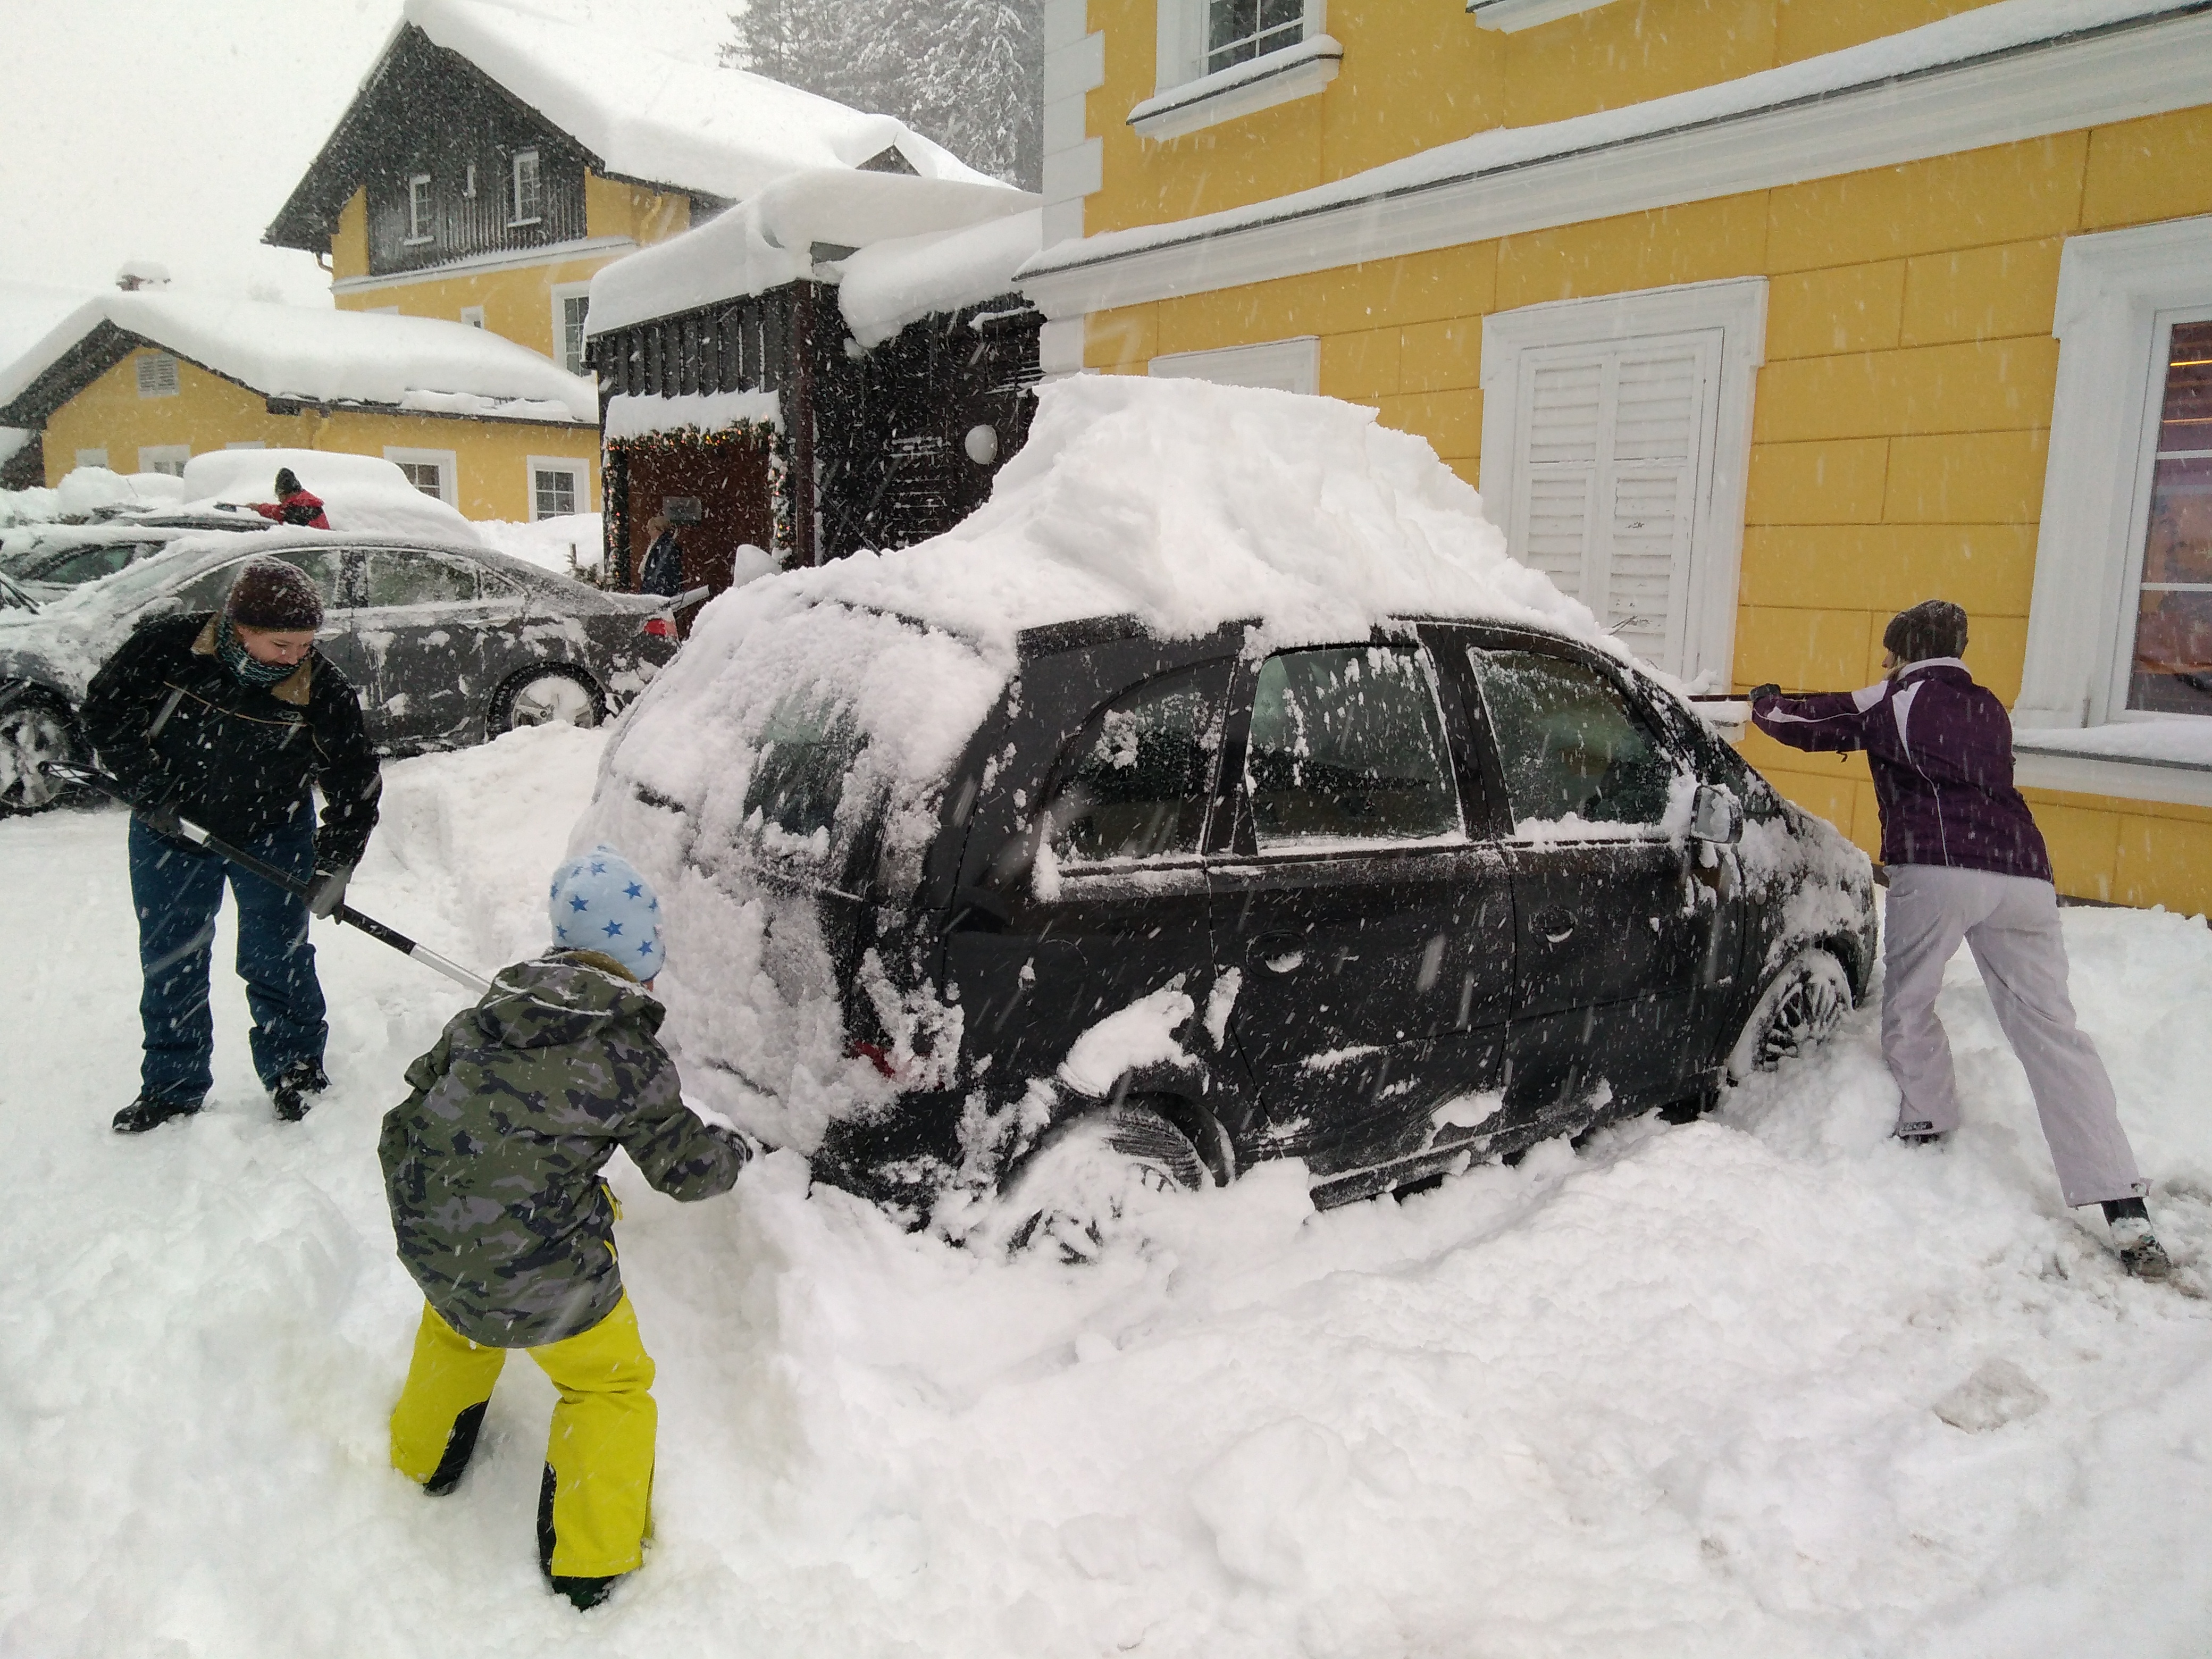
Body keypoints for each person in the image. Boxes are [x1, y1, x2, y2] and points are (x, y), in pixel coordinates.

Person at [1749, 600, 2171, 1280]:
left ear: (1905, 651)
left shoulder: (1899, 696)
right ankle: (2120, 1201)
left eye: (1889, 654)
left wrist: (1765, 704)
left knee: (1910, 1000)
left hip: (1939, 866)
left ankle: (1925, 1122)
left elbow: (1818, 721)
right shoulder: (1990, 707)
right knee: (2051, 1031)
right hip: (2024, 877)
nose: (1884, 665)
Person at [380, 846, 751, 1611]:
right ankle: (590, 1559)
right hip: (535, 1268)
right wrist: (735, 1150)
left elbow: (422, 1096)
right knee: (609, 1384)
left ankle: (421, 1460)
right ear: (638, 964)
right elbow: (686, 1173)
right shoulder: (628, 1059)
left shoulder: (484, 1013)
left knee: (459, 1324)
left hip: (430, 1228)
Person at [80, 558, 380, 1132]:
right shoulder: (167, 647)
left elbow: (354, 779)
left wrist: (336, 862)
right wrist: (149, 785)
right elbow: (106, 709)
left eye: (305, 644)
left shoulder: (321, 688)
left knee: (278, 955)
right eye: (281, 644)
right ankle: (171, 1087)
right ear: (237, 627)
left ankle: (295, 1071)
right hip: (170, 828)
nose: (296, 656)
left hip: (274, 831)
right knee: (173, 956)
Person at [247, 467, 329, 529]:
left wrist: (259, 508)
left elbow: (280, 513)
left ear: (288, 493)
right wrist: (259, 508)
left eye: (280, 495)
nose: (279, 499)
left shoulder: (299, 510)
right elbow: (279, 511)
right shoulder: (304, 503)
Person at [638, 515, 684, 599]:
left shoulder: (663, 547)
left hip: (659, 593)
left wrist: (652, 589)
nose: (648, 532)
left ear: (656, 530)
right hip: (659, 592)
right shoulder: (663, 545)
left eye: (649, 529)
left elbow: (664, 570)